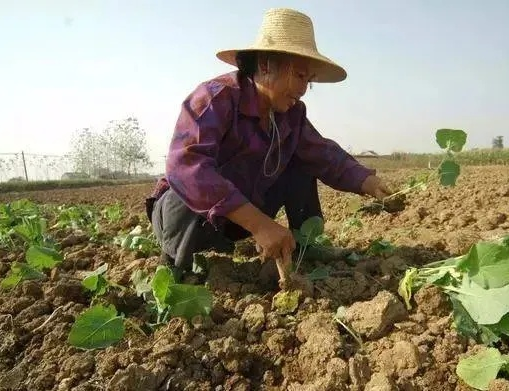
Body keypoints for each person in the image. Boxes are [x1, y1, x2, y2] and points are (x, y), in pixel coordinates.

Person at [145, 8, 392, 286]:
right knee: (190, 182)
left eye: (308, 81)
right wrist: (260, 225)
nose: (303, 89)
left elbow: (322, 153)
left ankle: (304, 246)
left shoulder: (291, 115)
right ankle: (174, 266)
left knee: (301, 160)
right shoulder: (216, 98)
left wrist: (366, 181)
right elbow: (185, 166)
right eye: (299, 76)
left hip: (236, 223)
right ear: (265, 65)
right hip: (186, 223)